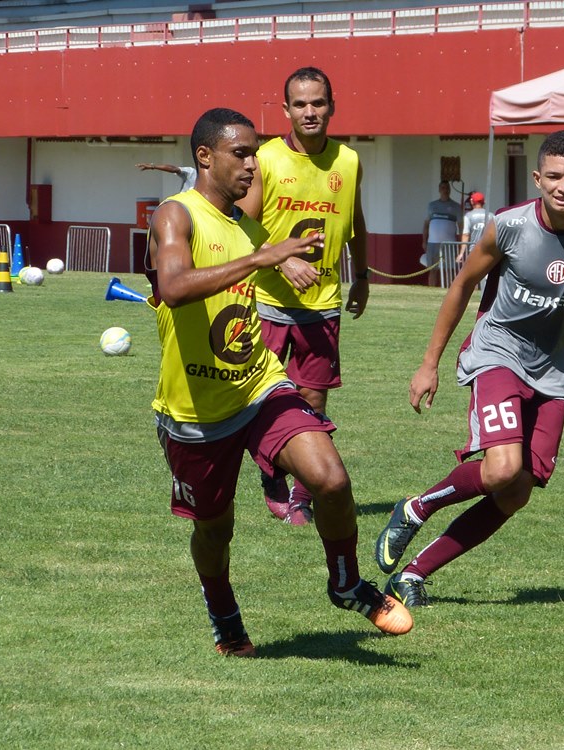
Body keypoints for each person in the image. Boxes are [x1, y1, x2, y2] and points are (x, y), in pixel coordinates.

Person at [147, 107, 411, 657]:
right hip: (196, 408)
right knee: (215, 530)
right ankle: (223, 614)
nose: (252, 163)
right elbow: (173, 287)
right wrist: (266, 256)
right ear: (205, 156)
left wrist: (283, 262)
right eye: (240, 153)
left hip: (259, 384)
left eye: (254, 152)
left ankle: (345, 583)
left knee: (331, 480)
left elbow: (261, 260)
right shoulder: (176, 216)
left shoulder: (247, 227)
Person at [373, 130, 564, 609]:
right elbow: (461, 287)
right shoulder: (507, 226)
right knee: (502, 469)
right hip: (499, 353)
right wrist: (428, 364)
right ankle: (415, 509)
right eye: (554, 176)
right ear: (537, 178)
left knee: (515, 493)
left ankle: (411, 575)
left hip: (555, 371)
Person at [236, 66, 369, 526]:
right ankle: (270, 468)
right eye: (301, 104)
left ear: (331, 106)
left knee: (312, 403)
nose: (310, 112)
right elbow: (243, 228)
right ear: (286, 109)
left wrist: (364, 275)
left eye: (318, 103)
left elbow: (356, 220)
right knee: (260, 398)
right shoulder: (266, 160)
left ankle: (302, 497)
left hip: (322, 303)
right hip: (268, 302)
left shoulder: (348, 161)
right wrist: (284, 260)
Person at [422, 179, 462, 270]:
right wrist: (424, 241)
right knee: (432, 270)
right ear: (439, 190)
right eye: (443, 188)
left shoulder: (456, 206)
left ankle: (448, 285)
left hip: (450, 244)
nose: (445, 190)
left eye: (447, 188)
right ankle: (432, 285)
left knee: (449, 270)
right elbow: (426, 225)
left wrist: (460, 244)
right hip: (432, 243)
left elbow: (461, 227)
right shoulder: (432, 205)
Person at [455, 191, 488, 265]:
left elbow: (466, 235)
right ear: (484, 202)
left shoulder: (468, 216)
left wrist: (461, 254)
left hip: (474, 250)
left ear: (472, 202)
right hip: (488, 250)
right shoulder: (491, 216)